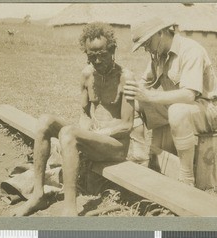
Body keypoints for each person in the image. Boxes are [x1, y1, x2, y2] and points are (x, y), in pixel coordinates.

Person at [13, 22, 135, 216]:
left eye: (101, 55)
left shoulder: (125, 77)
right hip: (93, 138)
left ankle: (69, 209)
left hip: (115, 146)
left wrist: (92, 133)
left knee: (69, 133)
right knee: (45, 121)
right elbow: (85, 114)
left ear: (112, 50)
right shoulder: (87, 75)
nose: (96, 61)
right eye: (91, 56)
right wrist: (83, 133)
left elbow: (127, 125)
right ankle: (38, 195)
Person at [124, 17, 217, 186]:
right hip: (179, 107)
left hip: (210, 109)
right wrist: (130, 89)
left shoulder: (191, 50)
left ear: (161, 33)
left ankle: (186, 179)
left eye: (147, 43)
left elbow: (188, 95)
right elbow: (143, 84)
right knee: (133, 104)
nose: (146, 49)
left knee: (177, 111)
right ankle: (141, 160)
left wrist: (148, 96)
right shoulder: (157, 55)